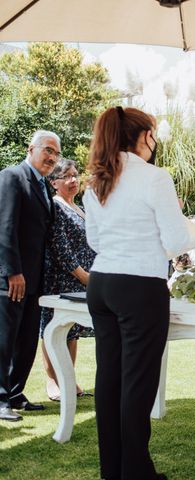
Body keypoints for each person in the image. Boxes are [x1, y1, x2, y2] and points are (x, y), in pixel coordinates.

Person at [84, 106, 195, 480]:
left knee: (109, 379)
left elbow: (95, 240)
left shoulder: (96, 180)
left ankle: (112, 471)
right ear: (143, 135)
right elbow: (177, 241)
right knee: (137, 382)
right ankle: (137, 472)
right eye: (154, 133)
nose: (156, 140)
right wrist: (181, 225)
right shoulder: (154, 178)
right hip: (139, 285)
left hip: (102, 285)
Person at [0, 130, 59, 422]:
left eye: (56, 153)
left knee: (26, 340)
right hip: (13, 279)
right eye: (47, 150)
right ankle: (0, 398)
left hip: (35, 280)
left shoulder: (45, 186)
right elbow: (5, 228)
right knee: (4, 340)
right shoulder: (12, 177)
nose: (52, 157)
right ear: (30, 148)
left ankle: (14, 393)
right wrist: (13, 272)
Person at [40, 159, 95, 401]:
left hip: (83, 278)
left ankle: (68, 378)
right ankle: (52, 381)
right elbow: (59, 246)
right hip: (62, 279)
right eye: (67, 176)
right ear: (54, 183)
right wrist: (83, 275)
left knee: (72, 331)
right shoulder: (55, 207)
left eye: (75, 175)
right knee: (53, 330)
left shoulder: (79, 207)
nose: (74, 180)